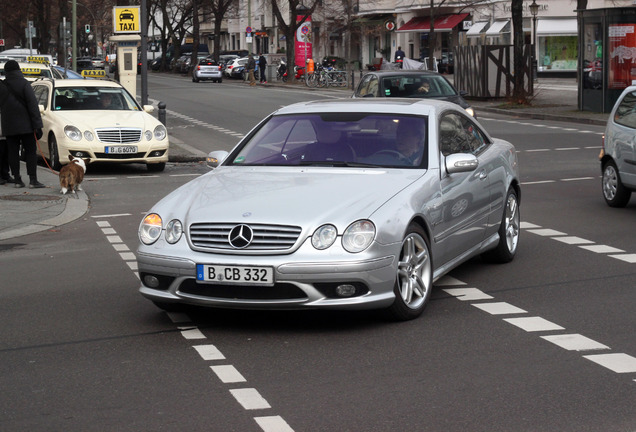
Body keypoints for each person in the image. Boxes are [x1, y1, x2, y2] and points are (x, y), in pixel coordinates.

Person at [0, 60, 45, 188]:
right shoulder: (24, 84)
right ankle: (33, 180)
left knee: (13, 153)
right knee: (30, 152)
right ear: (18, 69)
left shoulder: (2, 86)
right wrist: (37, 125)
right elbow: (33, 106)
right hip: (27, 126)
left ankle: (18, 180)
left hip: (9, 126)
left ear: (7, 72)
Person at [0, 81, 14, 185]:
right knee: (3, 153)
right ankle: (3, 175)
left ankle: (5, 174)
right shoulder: (5, 85)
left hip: (5, 125)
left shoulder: (4, 85)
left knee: (5, 153)